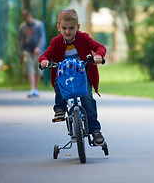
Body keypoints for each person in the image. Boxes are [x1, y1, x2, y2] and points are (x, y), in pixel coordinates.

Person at [39, 8, 107, 145]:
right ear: (59, 27)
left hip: (82, 75)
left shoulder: (84, 38)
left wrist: (99, 55)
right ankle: (60, 108)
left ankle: (95, 130)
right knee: (59, 83)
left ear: (78, 27)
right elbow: (45, 55)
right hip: (64, 75)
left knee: (87, 98)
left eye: (71, 28)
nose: (67, 32)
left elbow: (100, 47)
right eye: (64, 28)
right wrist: (44, 61)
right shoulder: (56, 42)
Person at [19, 9, 46, 98]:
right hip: (27, 51)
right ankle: (32, 89)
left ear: (29, 16)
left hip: (38, 52)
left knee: (38, 70)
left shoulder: (39, 25)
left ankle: (36, 89)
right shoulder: (23, 27)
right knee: (30, 70)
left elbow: (43, 38)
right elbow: (21, 41)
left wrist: (39, 47)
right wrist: (21, 53)